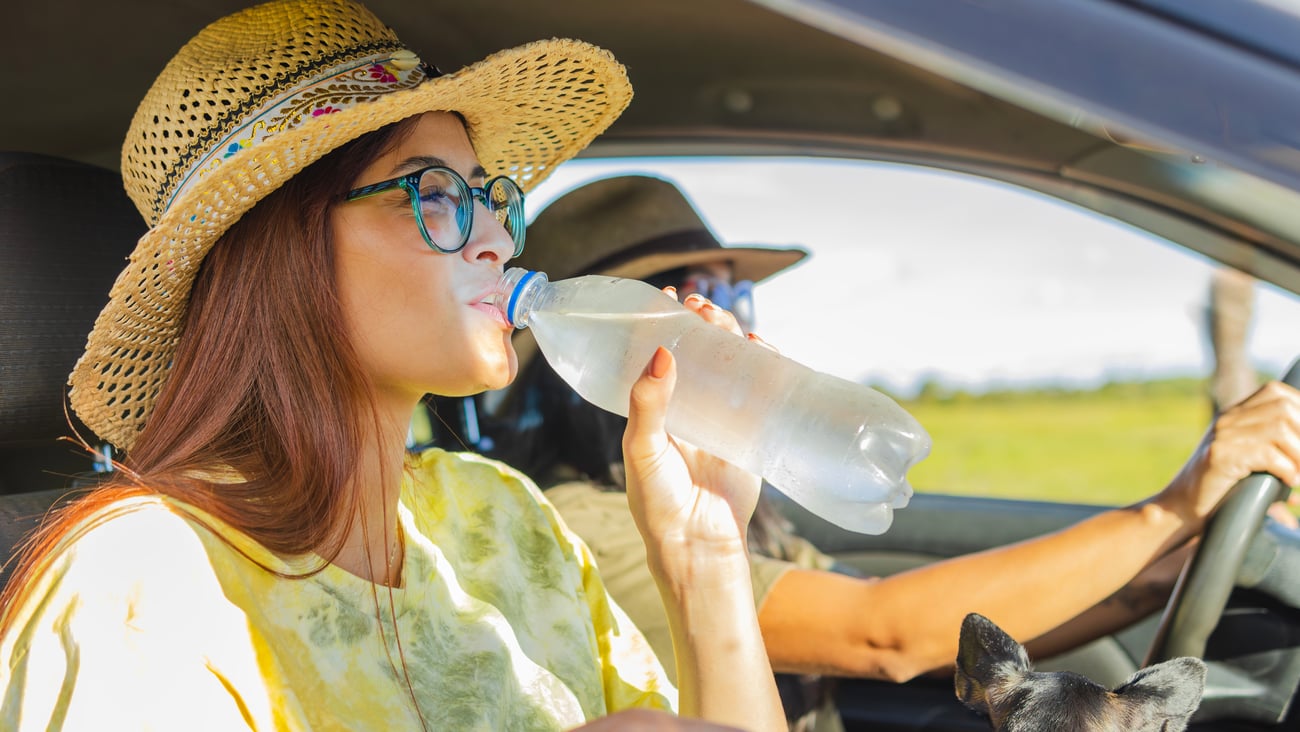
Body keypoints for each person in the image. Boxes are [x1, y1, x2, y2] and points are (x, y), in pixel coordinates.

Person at [0, 3, 786, 731]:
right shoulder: (140, 583)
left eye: (489, 197)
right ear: (283, 251)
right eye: (436, 194)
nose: (501, 242)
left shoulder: (506, 519)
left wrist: (703, 561)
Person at [483, 174, 1300, 726]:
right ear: (593, 350)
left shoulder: (723, 497)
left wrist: (1170, 563)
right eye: (693, 293)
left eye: (735, 291)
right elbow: (883, 635)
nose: (724, 321)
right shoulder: (587, 524)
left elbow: (942, 636)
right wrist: (1167, 508)